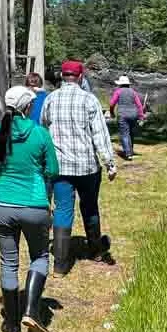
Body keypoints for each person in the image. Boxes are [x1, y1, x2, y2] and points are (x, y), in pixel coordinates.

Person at [0, 85, 59, 332]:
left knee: (9, 261)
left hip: (4, 205)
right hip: (35, 205)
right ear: (28, 107)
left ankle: (12, 323)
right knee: (39, 256)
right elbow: (52, 169)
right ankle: (30, 310)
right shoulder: (40, 134)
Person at [41, 60, 117, 275]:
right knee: (90, 206)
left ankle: (60, 265)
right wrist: (109, 163)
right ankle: (95, 250)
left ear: (62, 77)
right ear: (81, 76)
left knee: (63, 209)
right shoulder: (89, 100)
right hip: (87, 167)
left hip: (60, 167)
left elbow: (44, 130)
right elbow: (100, 135)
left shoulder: (50, 99)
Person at [110, 75, 145, 161]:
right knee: (131, 134)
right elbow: (139, 105)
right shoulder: (133, 92)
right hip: (133, 115)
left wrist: (111, 112)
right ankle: (130, 151)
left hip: (123, 115)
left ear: (120, 84)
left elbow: (112, 104)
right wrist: (141, 116)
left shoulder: (118, 91)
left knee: (124, 134)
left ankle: (128, 153)